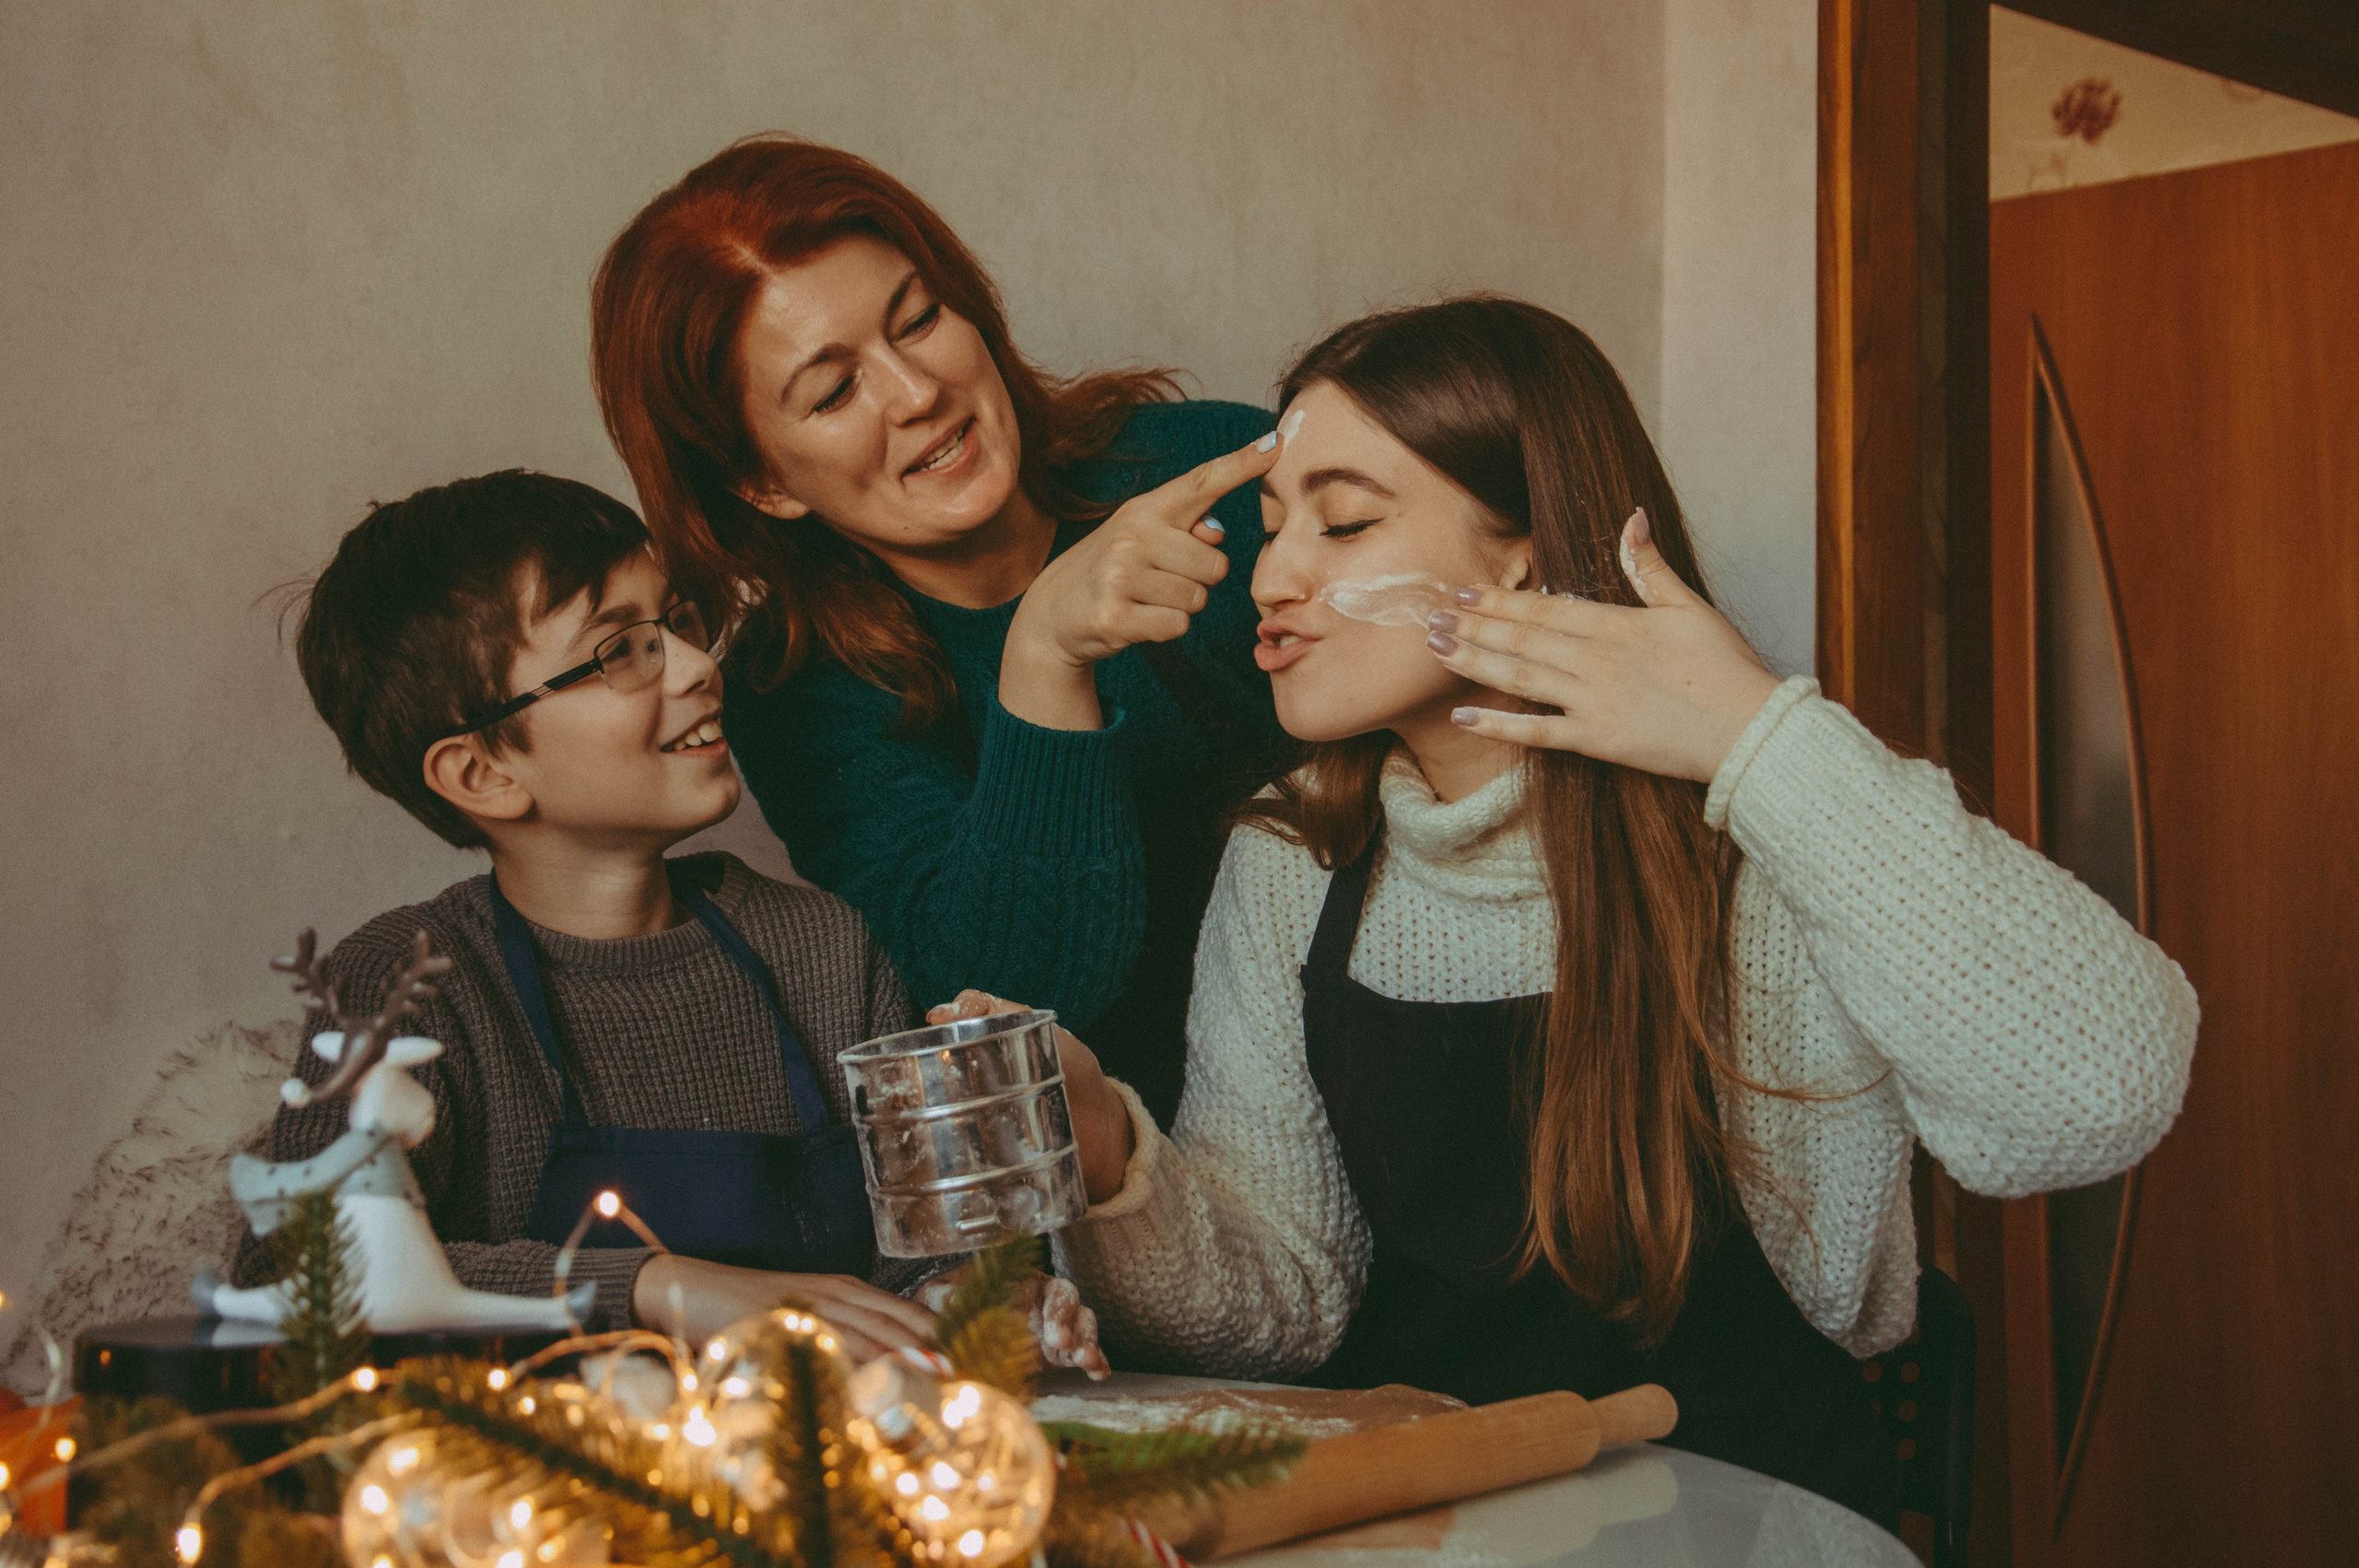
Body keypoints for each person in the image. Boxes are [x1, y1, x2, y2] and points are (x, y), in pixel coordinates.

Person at [942, 298, 2200, 1521]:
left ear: (1523, 551)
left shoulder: (1760, 822)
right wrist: (1107, 1145)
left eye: (1346, 524)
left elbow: (2099, 1092)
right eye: (1274, 527)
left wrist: (1761, 741)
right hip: (1447, 1521)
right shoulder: (1291, 857)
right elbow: (1284, 1303)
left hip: (1760, 1520)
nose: (1273, 576)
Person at [233, 469, 1099, 1368]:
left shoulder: (823, 950)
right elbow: (290, 1280)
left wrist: (973, 1304)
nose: (695, 667)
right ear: (481, 772)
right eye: (619, 652)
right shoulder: (403, 986)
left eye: (678, 622)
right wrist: (657, 1287)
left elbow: (927, 1265)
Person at [591, 137, 1285, 1129]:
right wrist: (1043, 659)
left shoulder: (1207, 466)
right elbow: (1010, 1012)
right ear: (763, 482)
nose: (916, 393)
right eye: (832, 392)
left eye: (918, 319)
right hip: (1155, 1189)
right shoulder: (801, 696)